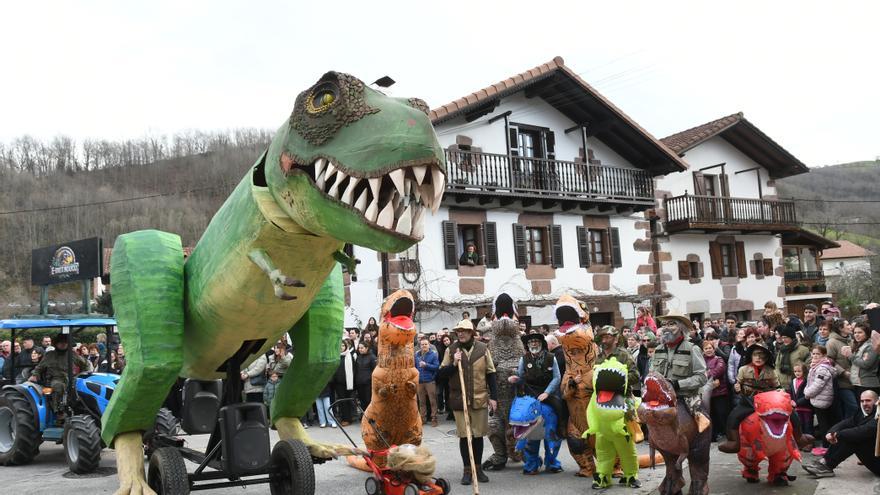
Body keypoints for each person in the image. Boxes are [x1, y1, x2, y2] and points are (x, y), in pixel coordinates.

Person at [437, 319, 498, 485]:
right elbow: (441, 374)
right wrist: (454, 364)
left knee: (478, 436)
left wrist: (494, 397)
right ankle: (467, 470)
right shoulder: (451, 350)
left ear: (472, 333)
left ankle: (477, 469)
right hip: (459, 400)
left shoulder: (483, 349)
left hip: (479, 398)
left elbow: (491, 373)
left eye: (464, 330)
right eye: (458, 331)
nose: (461, 333)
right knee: (465, 436)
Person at [508, 332, 563, 475]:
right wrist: (515, 379)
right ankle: (532, 463)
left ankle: (552, 462)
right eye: (531, 341)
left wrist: (547, 392)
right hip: (530, 397)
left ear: (541, 343)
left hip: (548, 397)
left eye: (536, 341)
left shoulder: (551, 358)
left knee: (553, 427)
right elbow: (520, 377)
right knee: (530, 431)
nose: (533, 343)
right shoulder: (523, 359)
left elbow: (557, 377)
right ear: (528, 345)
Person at [651, 312, 709, 431]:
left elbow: (702, 377)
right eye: (664, 324)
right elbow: (651, 374)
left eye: (672, 324)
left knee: (700, 424)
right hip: (661, 398)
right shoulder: (658, 350)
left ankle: (701, 441)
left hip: (685, 397)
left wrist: (678, 384)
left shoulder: (692, 349)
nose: (666, 327)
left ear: (681, 328)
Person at [719, 343, 780, 453]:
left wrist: (781, 392)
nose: (758, 358)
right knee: (733, 417)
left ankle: (799, 437)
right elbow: (737, 386)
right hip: (747, 401)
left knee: (790, 413)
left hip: (767, 402)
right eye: (756, 355)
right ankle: (733, 442)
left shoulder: (771, 371)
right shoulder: (743, 369)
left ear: (766, 358)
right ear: (751, 356)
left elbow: (777, 387)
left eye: (762, 356)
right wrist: (737, 388)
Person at [802, 390, 880, 477]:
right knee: (848, 434)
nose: (864, 403)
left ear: (877, 401)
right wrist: (832, 432)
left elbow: (864, 431)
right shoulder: (862, 412)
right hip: (873, 456)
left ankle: (827, 465)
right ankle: (825, 462)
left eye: (868, 400)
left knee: (853, 438)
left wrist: (837, 435)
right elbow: (848, 422)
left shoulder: (878, 415)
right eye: (862, 401)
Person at [29, 334, 89, 421]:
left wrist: (84, 374)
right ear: (56, 344)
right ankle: (58, 411)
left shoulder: (72, 354)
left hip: (71, 378)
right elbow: (39, 367)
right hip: (55, 378)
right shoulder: (49, 355)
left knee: (81, 388)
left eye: (65, 342)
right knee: (58, 386)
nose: (63, 344)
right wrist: (34, 375)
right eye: (61, 342)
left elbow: (85, 364)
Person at [804, 345, 838, 455]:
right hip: (819, 398)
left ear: (823, 355)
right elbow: (810, 382)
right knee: (824, 423)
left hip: (822, 400)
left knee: (824, 425)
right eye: (813, 353)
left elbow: (817, 385)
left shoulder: (822, 368)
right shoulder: (817, 366)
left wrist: (807, 393)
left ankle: (826, 447)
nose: (814, 356)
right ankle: (826, 445)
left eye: (817, 354)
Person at [825, 318, 858, 420]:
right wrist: (843, 372)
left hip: (855, 380)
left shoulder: (852, 340)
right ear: (840, 328)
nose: (850, 327)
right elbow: (830, 360)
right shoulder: (832, 342)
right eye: (847, 325)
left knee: (852, 409)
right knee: (853, 407)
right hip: (842, 382)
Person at [703, 340, 729, 442]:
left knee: (721, 414)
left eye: (710, 348)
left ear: (714, 349)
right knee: (710, 414)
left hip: (719, 392)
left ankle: (725, 433)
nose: (708, 350)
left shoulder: (719, 359)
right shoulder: (701, 360)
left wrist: (706, 375)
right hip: (706, 393)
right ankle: (712, 435)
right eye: (706, 348)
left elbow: (719, 370)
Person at [773, 323, 811, 391]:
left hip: (798, 385)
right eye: (782, 337)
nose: (784, 340)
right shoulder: (781, 350)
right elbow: (777, 366)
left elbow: (808, 366)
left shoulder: (803, 350)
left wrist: (801, 378)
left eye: (786, 337)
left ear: (792, 337)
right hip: (782, 385)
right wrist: (778, 379)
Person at [847, 321, 879, 397]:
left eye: (860, 332)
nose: (856, 335)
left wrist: (850, 356)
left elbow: (866, 364)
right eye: (855, 333)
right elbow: (855, 363)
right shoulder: (859, 345)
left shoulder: (871, 346)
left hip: (868, 385)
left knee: (868, 408)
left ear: (867, 333)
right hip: (858, 383)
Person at [416, 337, 440, 427]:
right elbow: (415, 367)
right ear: (420, 345)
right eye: (422, 344)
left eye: (426, 344)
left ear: (429, 345)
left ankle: (434, 418)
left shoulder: (433, 354)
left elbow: (437, 367)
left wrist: (426, 365)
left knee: (432, 401)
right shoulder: (417, 355)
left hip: (430, 381)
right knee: (421, 402)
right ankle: (423, 418)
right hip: (420, 381)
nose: (424, 346)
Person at [331, 340, 356, 426]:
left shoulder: (350, 356)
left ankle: (348, 419)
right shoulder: (336, 356)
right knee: (341, 402)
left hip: (348, 384)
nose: (341, 347)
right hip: (338, 384)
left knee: (347, 401)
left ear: (346, 346)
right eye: (340, 346)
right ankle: (343, 418)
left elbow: (353, 370)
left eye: (343, 346)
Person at [790, 363, 813, 443]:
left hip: (806, 408)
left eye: (799, 371)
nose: (797, 373)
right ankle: (801, 442)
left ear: (804, 371)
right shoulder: (793, 381)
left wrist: (797, 402)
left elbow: (807, 395)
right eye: (795, 371)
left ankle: (809, 443)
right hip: (797, 408)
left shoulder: (807, 381)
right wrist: (791, 400)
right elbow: (791, 393)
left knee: (808, 425)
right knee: (799, 425)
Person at [354, 342, 377, 413]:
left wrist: (370, 380)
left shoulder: (372, 357)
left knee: (368, 400)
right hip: (360, 383)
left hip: (368, 384)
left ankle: (370, 416)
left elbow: (375, 371)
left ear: (366, 348)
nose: (360, 349)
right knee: (362, 400)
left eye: (362, 348)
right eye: (359, 348)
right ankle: (364, 415)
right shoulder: (359, 357)